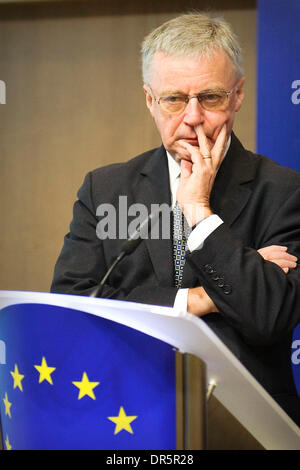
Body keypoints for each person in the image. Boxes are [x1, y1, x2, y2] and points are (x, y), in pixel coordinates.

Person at [51, 13, 300, 426]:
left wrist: (200, 212)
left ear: (238, 95)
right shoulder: (105, 188)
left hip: (248, 425)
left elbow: (267, 319)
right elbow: (77, 307)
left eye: (211, 97)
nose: (192, 118)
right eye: (174, 99)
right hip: (126, 417)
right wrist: (199, 299)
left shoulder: (284, 191)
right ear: (150, 100)